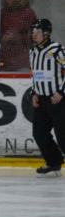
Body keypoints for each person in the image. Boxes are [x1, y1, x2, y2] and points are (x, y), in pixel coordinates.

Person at [28, 19, 65, 177]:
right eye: (33, 32)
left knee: (63, 135)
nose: (34, 35)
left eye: (37, 32)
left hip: (58, 100)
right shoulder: (33, 51)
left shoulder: (57, 50)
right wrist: (34, 93)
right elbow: (35, 74)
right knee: (39, 133)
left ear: (47, 33)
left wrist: (62, 92)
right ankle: (54, 162)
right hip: (41, 100)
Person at [0, 0, 37, 71]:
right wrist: (3, 37)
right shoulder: (3, 13)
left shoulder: (28, 13)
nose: (8, 0)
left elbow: (34, 34)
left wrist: (16, 38)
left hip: (22, 57)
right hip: (5, 57)